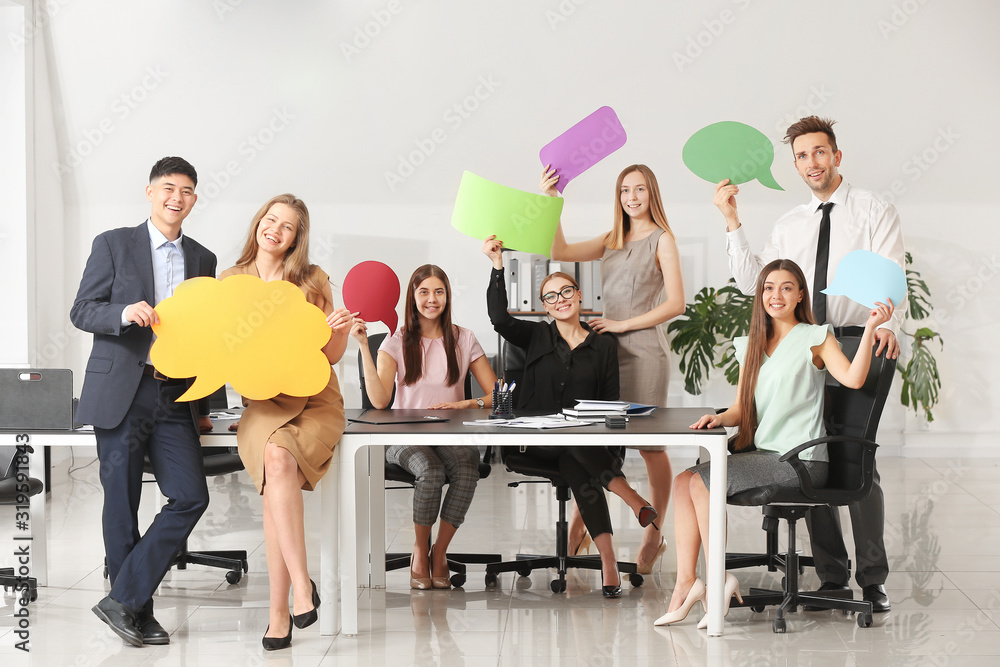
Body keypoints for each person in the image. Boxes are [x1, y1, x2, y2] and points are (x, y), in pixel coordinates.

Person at [714, 116, 905, 612]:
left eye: (819, 152)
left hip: (857, 339)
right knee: (808, 451)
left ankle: (872, 578)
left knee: (855, 458)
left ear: (836, 156)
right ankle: (832, 576)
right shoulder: (790, 223)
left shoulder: (871, 208)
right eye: (801, 156)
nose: (811, 163)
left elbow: (890, 273)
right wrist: (733, 221)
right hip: (805, 342)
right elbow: (755, 282)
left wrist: (886, 326)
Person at [654, 259, 893, 627]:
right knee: (683, 481)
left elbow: (854, 379)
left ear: (800, 295)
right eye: (768, 287)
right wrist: (720, 418)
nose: (775, 295)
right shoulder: (751, 343)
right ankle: (688, 582)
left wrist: (872, 328)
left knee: (702, 483)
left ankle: (718, 581)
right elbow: (741, 407)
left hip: (801, 459)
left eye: (785, 287)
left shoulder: (816, 337)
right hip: (766, 454)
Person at [71, 157, 217, 647]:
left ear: (194, 200)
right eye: (169, 188)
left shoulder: (203, 259)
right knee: (122, 504)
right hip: (120, 392)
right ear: (150, 193)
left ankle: (123, 599)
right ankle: (138, 612)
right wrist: (122, 312)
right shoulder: (113, 243)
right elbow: (82, 310)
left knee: (191, 495)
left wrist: (207, 405)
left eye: (188, 191)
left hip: (174, 394)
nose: (178, 197)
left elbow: (206, 336)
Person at [483, 234, 658, 597]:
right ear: (545, 307)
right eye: (551, 296)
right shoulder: (533, 337)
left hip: (585, 446)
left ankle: (608, 563)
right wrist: (497, 266)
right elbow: (499, 317)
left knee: (579, 464)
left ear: (579, 296)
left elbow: (610, 402)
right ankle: (629, 497)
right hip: (532, 444)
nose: (559, 300)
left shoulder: (603, 346)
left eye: (566, 292)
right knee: (577, 453)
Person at [219, 194, 352, 650]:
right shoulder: (231, 280)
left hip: (316, 401)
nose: (276, 230)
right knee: (276, 465)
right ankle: (300, 586)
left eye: (288, 226)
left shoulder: (314, 280)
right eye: (270, 220)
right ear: (258, 223)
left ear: (298, 237)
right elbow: (226, 349)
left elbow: (330, 357)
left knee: (278, 466)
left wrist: (337, 329)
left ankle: (283, 609)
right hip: (264, 402)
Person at [542, 163, 685, 574]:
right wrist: (554, 202)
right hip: (602, 353)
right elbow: (560, 253)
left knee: (649, 446)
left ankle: (654, 534)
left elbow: (676, 304)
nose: (633, 197)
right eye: (625, 190)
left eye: (640, 189)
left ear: (651, 194)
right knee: (596, 443)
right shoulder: (612, 239)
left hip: (643, 353)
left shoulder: (663, 240)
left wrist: (622, 323)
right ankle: (583, 526)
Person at [351, 264, 497, 590]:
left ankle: (440, 551)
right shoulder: (396, 340)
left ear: (447, 295)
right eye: (424, 292)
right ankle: (419, 548)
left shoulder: (464, 338)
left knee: (467, 467)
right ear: (412, 297)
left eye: (439, 292)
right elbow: (378, 401)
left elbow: (498, 396)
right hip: (403, 437)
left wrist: (464, 404)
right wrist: (363, 346)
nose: (432, 299)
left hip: (449, 434)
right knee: (429, 470)